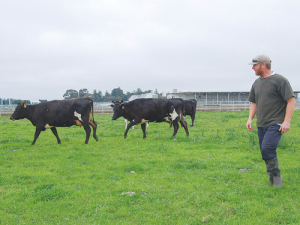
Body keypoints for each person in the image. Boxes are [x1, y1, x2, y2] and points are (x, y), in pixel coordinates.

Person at [246, 54, 295, 188]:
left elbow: (291, 100)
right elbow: (254, 102)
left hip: (276, 122)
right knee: (264, 151)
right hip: (261, 123)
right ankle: (271, 178)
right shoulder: (256, 83)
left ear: (263, 64)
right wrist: (250, 118)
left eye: (254, 65)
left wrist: (287, 121)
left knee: (268, 148)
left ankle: (277, 177)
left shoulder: (279, 80)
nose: (253, 68)